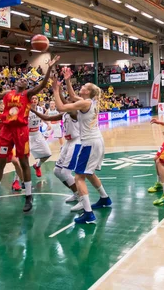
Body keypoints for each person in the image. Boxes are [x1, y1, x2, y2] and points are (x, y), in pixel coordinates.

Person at [0, 55, 59, 213]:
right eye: (21, 79)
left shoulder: (27, 95)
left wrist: (49, 68)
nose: (23, 81)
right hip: (6, 130)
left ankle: (28, 195)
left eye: (26, 81)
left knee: (23, 162)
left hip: (21, 130)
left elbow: (41, 85)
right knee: (0, 162)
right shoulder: (7, 94)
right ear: (16, 82)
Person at [53, 79, 111, 224]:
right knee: (89, 173)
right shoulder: (89, 101)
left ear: (88, 92)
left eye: (85, 86)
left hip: (89, 142)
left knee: (79, 177)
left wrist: (55, 90)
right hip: (96, 140)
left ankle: (88, 213)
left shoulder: (85, 103)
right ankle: (105, 198)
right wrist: (67, 80)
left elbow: (61, 107)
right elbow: (72, 96)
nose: (82, 87)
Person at [28, 95, 52, 178]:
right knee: (23, 159)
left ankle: (37, 165)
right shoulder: (25, 110)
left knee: (47, 154)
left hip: (37, 133)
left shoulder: (40, 109)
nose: (34, 100)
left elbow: (42, 118)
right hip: (27, 135)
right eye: (32, 98)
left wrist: (48, 123)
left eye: (36, 99)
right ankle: (16, 180)